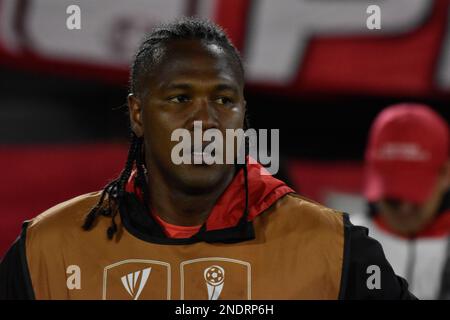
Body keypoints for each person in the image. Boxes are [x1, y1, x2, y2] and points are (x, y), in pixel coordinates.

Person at [0, 17, 415, 300]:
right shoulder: (47, 251)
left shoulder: (335, 249)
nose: (205, 120)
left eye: (223, 99)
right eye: (180, 98)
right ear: (138, 114)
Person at [353, 103, 450, 299]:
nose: (405, 208)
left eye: (416, 195)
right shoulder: (342, 245)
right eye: (394, 198)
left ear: (445, 175)